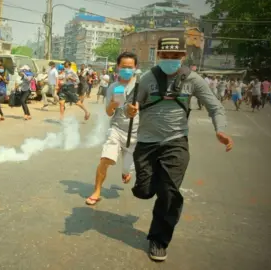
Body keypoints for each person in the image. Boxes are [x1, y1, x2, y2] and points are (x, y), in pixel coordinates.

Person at [126, 36, 233, 262]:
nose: (170, 60)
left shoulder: (193, 80)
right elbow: (130, 104)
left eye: (175, 56)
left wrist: (220, 130)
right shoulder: (147, 78)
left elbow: (215, 107)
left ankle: (159, 240)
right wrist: (131, 109)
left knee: (169, 193)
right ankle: (151, 184)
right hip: (146, 143)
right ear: (158, 56)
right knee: (144, 191)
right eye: (166, 56)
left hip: (176, 142)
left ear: (183, 56)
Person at [85, 52, 139, 206]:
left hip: (135, 133)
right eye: (124, 67)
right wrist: (114, 104)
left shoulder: (141, 86)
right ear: (118, 67)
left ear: (135, 68)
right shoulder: (113, 87)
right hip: (116, 128)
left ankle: (125, 172)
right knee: (105, 159)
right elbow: (109, 113)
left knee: (127, 169)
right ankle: (96, 191)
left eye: (130, 67)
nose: (127, 70)